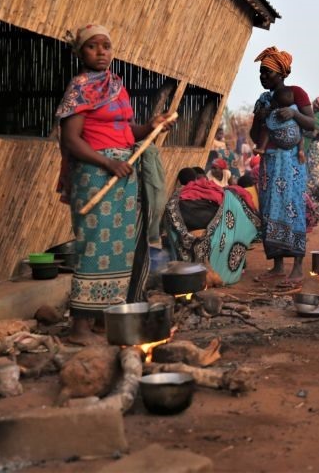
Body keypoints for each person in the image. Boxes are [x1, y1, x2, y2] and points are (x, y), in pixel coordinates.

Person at [55, 24, 173, 345]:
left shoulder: (116, 86)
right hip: (96, 175)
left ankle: (104, 320)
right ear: (81, 53)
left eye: (106, 46)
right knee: (93, 246)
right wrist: (107, 163)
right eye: (93, 46)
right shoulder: (79, 88)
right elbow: (71, 139)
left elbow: (126, 130)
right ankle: (79, 327)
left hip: (122, 174)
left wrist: (150, 126)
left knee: (118, 250)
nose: (101, 52)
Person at [249, 46, 315, 284]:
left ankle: (297, 267)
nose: (263, 77)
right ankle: (277, 266)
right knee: (270, 210)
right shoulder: (263, 101)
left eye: (268, 72)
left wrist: (294, 115)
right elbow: (256, 136)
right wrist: (261, 116)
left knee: (292, 207)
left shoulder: (297, 94)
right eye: (261, 73)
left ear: (282, 74)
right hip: (269, 162)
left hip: (290, 163)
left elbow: (311, 125)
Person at [164, 168, 260, 285]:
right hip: (212, 222)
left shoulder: (175, 199)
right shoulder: (217, 191)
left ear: (179, 182)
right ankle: (213, 274)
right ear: (196, 179)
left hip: (188, 225)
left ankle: (197, 275)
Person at [253, 87, 304, 161]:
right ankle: (301, 150)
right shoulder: (294, 108)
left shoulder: (274, 113)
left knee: (266, 128)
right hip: (295, 140)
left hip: (280, 140)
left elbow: (269, 123)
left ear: (275, 103)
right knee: (301, 131)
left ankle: (261, 148)